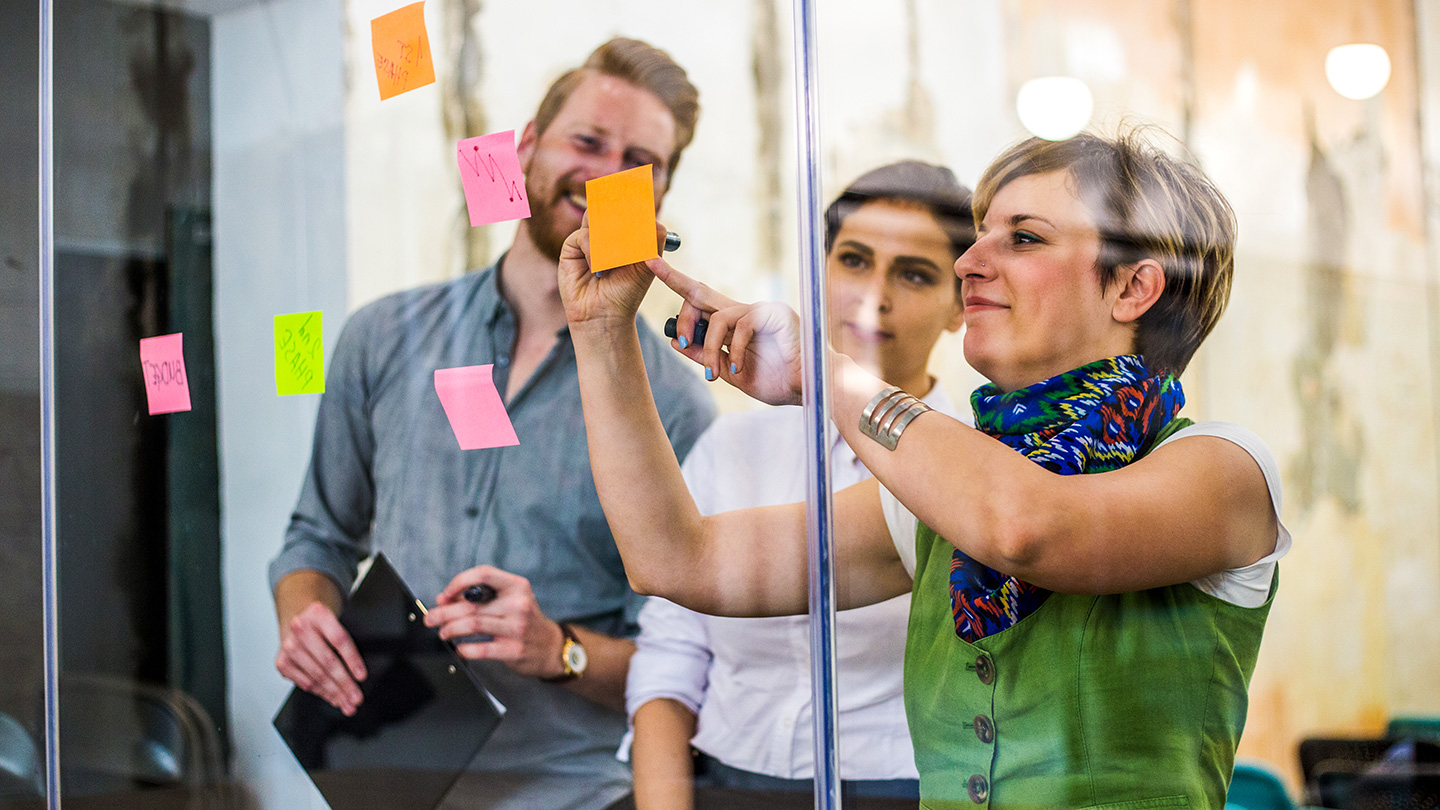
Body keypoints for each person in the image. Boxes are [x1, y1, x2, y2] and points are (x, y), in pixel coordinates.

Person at [558, 131, 1291, 809]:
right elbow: (675, 560)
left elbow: (1027, 528)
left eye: (1024, 238)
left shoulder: (1224, 469)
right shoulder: (937, 496)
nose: (969, 263)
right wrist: (601, 333)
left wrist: (825, 374)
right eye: (977, 239)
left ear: (1132, 288)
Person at [269, 38, 717, 810]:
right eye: (587, 141)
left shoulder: (676, 405)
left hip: (573, 794)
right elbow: (318, 536)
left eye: (639, 161)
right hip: (382, 780)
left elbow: (686, 663)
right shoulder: (382, 336)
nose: (607, 172)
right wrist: (307, 618)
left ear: (659, 195)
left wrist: (561, 649)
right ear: (526, 148)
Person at [625, 161, 974, 809]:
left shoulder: (972, 467)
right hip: (722, 782)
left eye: (915, 274)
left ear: (961, 307)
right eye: (854, 261)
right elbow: (670, 655)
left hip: (908, 792)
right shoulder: (734, 448)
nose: (875, 296)